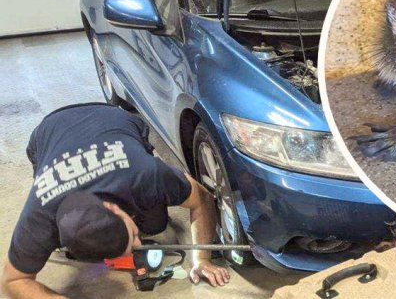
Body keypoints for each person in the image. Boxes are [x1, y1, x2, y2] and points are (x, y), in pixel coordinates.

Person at [1, 103, 230, 298]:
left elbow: (202, 198)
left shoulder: (144, 174)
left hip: (112, 118)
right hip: (47, 133)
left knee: (155, 226)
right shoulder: (39, 216)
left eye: (132, 237)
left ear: (113, 208)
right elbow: (12, 281)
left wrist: (202, 259)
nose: (138, 245)